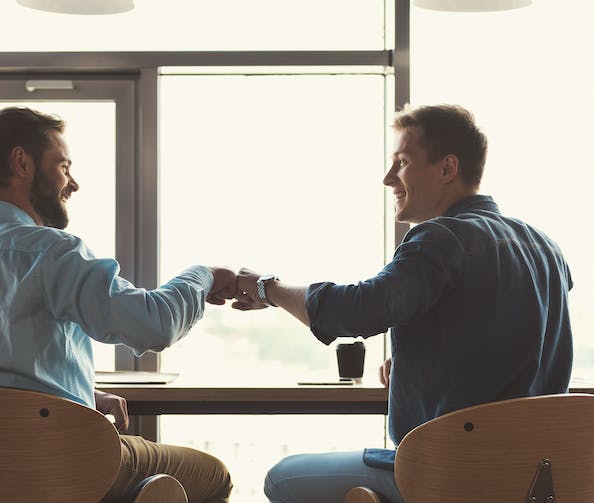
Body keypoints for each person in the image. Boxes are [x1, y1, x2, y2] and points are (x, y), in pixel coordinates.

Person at [230, 104, 573, 503]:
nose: (388, 178)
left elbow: (354, 310)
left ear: (447, 169)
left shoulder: (442, 238)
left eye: (403, 162)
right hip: (532, 476)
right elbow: (507, 340)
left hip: (453, 471)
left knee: (282, 478)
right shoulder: (546, 247)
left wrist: (266, 289)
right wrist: (419, 364)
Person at [0, 106, 235, 503]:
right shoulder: (50, 253)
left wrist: (80, 396)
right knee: (212, 476)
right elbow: (154, 324)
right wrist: (204, 276)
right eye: (63, 165)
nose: (73, 182)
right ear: (21, 162)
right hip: (54, 467)